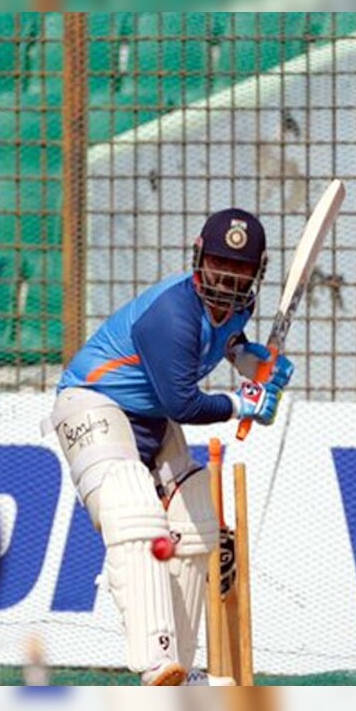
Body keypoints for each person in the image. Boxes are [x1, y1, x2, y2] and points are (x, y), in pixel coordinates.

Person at [45, 208, 293, 685]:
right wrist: (242, 404)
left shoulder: (240, 305)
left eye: (241, 269)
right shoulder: (171, 315)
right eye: (221, 263)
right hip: (93, 403)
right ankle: (155, 662)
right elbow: (183, 403)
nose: (229, 277)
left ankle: (181, 668)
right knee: (130, 503)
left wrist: (247, 359)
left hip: (148, 417)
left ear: (256, 272)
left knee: (196, 515)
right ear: (200, 257)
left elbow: (226, 337)